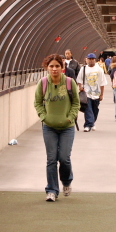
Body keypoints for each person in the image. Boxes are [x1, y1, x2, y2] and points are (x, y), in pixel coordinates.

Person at [34, 54, 80, 202]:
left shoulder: (69, 82)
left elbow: (76, 103)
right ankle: (52, 190)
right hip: (49, 127)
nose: (54, 69)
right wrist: (43, 117)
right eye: (51, 66)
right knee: (51, 159)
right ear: (47, 67)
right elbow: (38, 103)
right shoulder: (42, 83)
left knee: (64, 157)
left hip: (67, 127)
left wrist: (70, 117)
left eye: (57, 66)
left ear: (62, 67)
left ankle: (66, 181)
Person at [77, 53, 107, 132]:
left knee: (95, 109)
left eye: (92, 59)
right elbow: (79, 80)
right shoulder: (83, 69)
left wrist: (102, 94)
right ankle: (87, 125)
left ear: (95, 60)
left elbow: (102, 83)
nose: (91, 61)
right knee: (88, 108)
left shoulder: (99, 69)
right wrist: (80, 87)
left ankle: (92, 122)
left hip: (96, 94)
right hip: (87, 93)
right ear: (86, 60)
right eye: (89, 59)